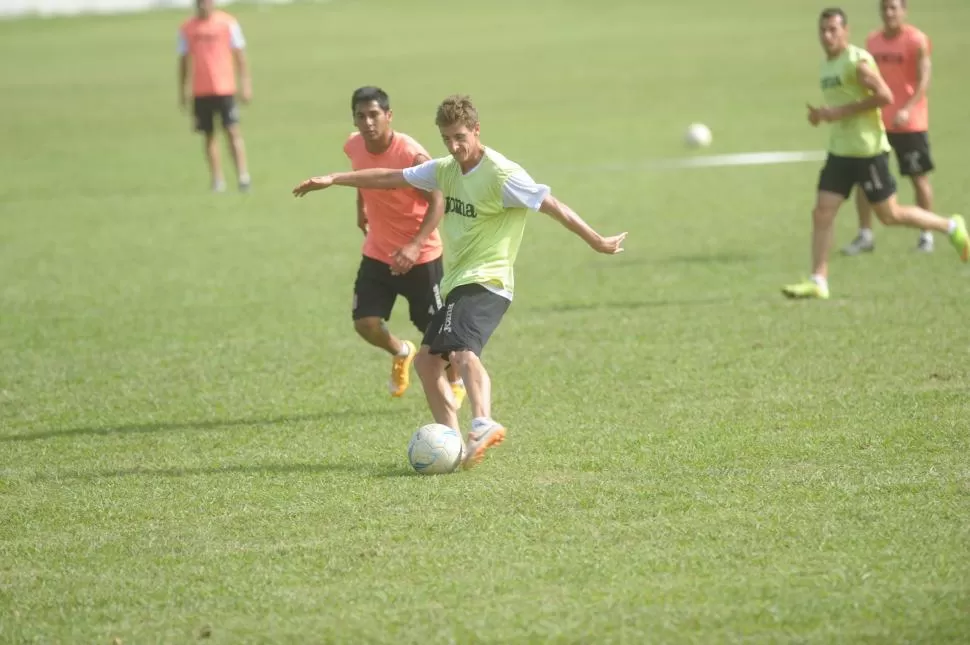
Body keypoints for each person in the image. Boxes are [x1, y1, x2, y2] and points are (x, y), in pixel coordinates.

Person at [293, 95, 627, 468]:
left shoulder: (502, 174)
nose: (454, 146)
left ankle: (483, 421)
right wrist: (334, 179)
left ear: (476, 130)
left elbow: (553, 206)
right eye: (447, 138)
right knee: (426, 364)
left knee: (463, 353)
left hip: (487, 280)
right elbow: (389, 177)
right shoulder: (446, 169)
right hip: (460, 281)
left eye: (460, 137)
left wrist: (596, 240)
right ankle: (452, 444)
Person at [782, 7, 967, 300]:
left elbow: (885, 97)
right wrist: (822, 115)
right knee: (822, 212)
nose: (827, 36)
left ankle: (951, 225)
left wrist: (838, 113)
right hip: (840, 151)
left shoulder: (858, 62)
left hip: (868, 152)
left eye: (833, 30)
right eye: (823, 30)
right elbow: (841, 103)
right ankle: (819, 280)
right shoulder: (828, 63)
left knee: (890, 215)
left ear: (846, 31)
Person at [341, 86, 465, 405]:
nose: (367, 122)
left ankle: (456, 380)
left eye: (374, 115)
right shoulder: (354, 145)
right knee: (364, 323)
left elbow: (438, 201)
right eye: (361, 116)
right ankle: (401, 350)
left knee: (439, 336)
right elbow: (364, 176)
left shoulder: (411, 155)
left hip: (421, 258)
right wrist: (360, 207)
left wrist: (415, 245)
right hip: (378, 252)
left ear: (389, 116)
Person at [843, 0, 936, 254]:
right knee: (864, 179)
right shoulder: (873, 41)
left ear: (904, 10)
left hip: (910, 123)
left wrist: (908, 108)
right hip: (878, 123)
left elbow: (924, 78)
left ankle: (927, 234)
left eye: (894, 8)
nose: (889, 13)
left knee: (918, 178)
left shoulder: (917, 40)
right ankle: (865, 235)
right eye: (885, 8)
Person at [178, 0, 252, 193]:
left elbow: (240, 55)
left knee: (232, 131)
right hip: (201, 89)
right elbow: (184, 60)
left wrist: (245, 84)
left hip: (225, 87)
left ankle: (243, 177)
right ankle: (217, 180)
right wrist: (183, 90)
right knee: (209, 135)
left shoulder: (227, 23)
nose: (204, 5)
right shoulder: (187, 28)